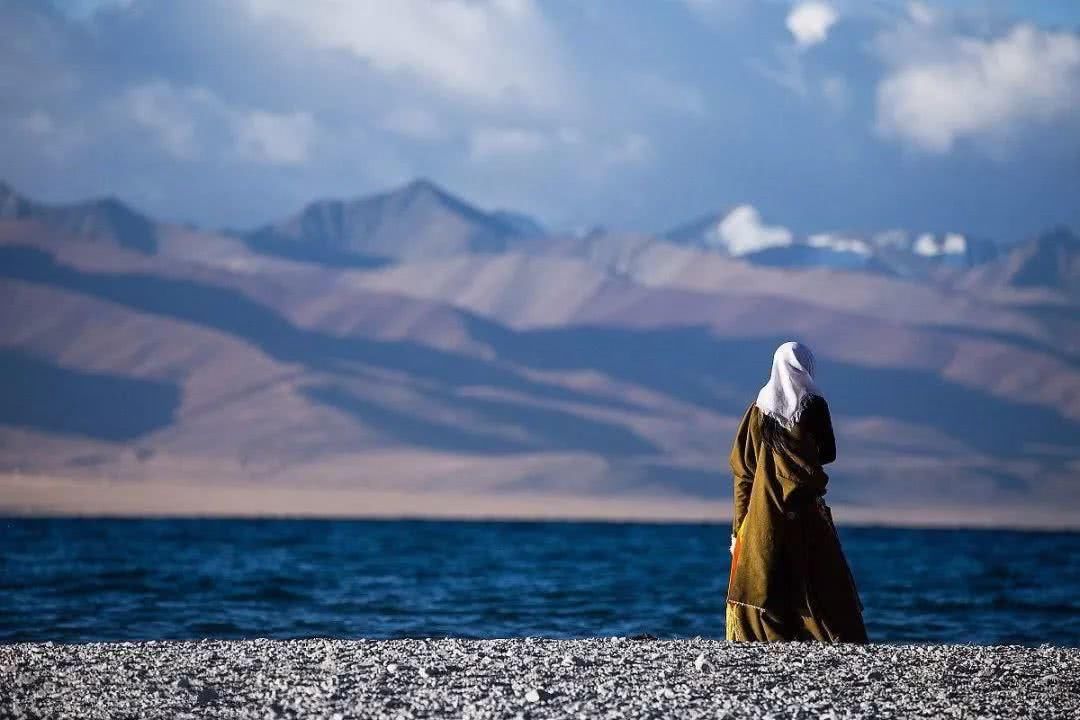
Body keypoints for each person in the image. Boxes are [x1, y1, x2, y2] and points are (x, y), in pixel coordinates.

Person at [725, 341, 867, 643]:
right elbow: (828, 453)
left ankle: (768, 639)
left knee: (766, 574)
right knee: (819, 579)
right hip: (804, 510)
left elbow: (743, 469)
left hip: (763, 512)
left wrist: (740, 526)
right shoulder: (814, 405)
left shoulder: (758, 409)